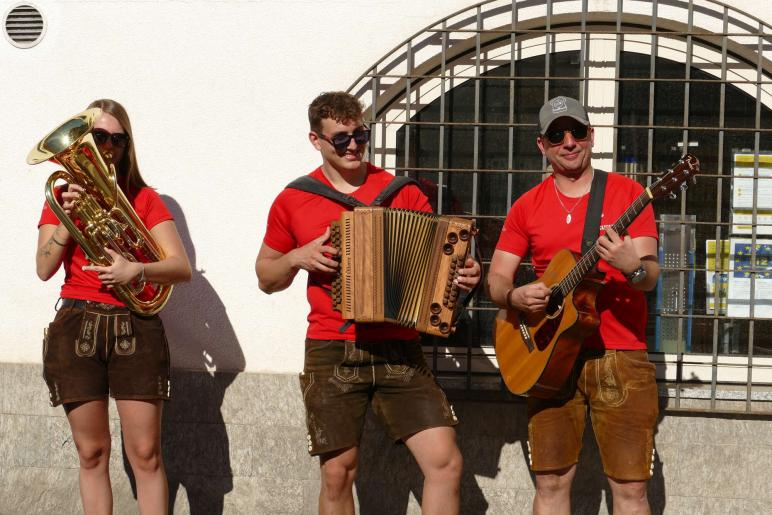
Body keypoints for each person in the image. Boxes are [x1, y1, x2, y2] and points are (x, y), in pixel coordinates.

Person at [255, 91, 481, 515]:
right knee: (339, 472)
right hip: (331, 347)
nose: (354, 145)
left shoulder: (402, 191)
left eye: (361, 134)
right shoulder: (294, 198)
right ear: (315, 140)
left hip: (398, 345)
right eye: (341, 138)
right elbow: (265, 276)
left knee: (445, 462)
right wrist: (295, 257)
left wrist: (468, 274)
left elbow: (444, 260)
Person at [487, 96, 660, 514]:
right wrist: (514, 297)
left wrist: (632, 267)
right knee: (550, 482)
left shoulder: (629, 194)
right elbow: (496, 279)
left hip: (620, 355)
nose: (569, 142)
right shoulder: (526, 205)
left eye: (577, 131)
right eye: (557, 134)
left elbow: (651, 278)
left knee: (631, 488)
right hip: (547, 355)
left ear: (592, 136)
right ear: (541, 144)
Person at [36, 99, 192, 514]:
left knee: (146, 454)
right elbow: (44, 268)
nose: (108, 146)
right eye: (99, 137)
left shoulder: (144, 199)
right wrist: (67, 225)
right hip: (76, 325)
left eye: (118, 139)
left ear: (128, 146)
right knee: (91, 454)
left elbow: (180, 268)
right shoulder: (60, 196)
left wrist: (135, 270)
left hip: (135, 325)